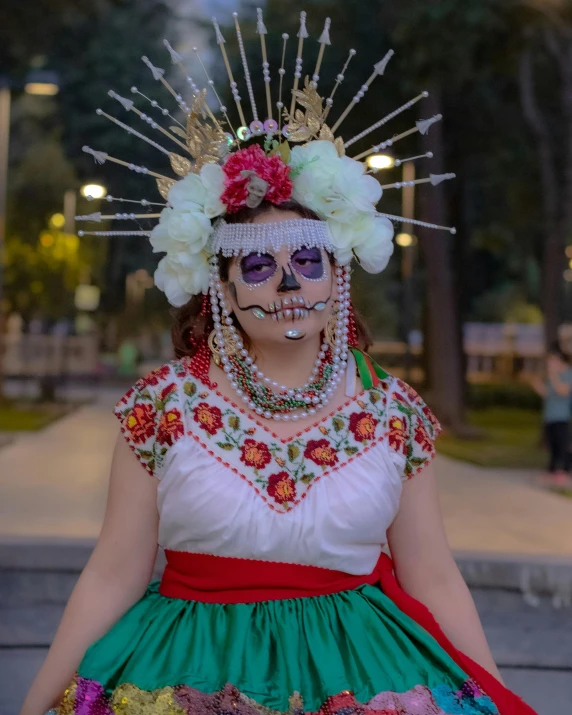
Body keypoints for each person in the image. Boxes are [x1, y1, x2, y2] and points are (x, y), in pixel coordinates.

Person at [20, 10, 537, 715]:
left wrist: (495, 694)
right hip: (183, 672)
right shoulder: (160, 409)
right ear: (221, 287)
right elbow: (113, 571)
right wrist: (37, 698)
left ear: (337, 273)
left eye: (310, 261)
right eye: (259, 265)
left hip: (364, 677)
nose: (289, 286)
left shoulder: (394, 414)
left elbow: (435, 577)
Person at [530, 344, 572, 487]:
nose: (550, 364)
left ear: (560, 360)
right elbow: (547, 394)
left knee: (563, 445)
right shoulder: (553, 377)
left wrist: (553, 375)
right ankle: (553, 470)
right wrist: (537, 385)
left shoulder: (568, 374)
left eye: (552, 361)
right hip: (550, 416)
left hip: (562, 416)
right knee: (553, 445)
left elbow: (563, 391)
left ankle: (565, 471)